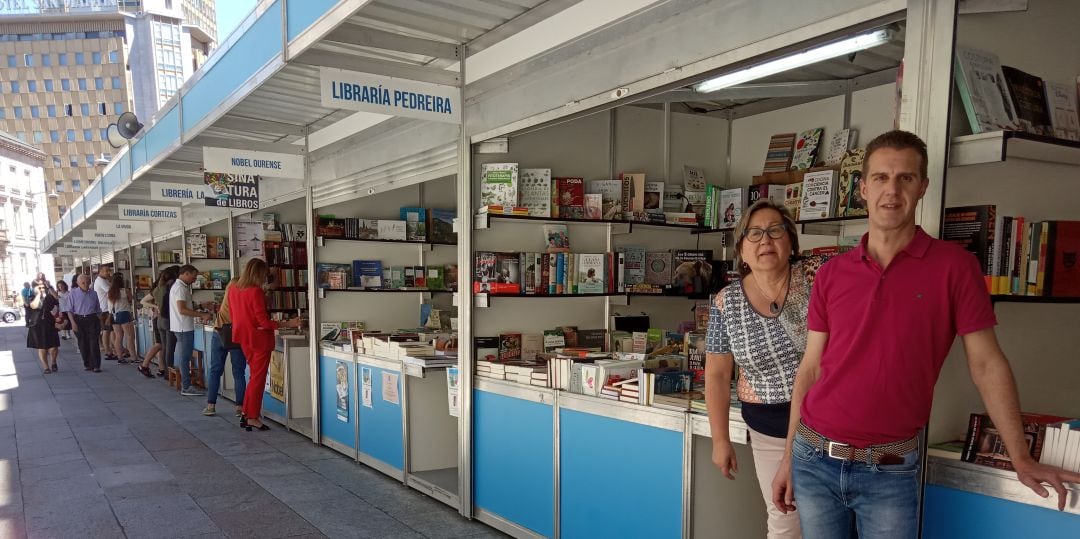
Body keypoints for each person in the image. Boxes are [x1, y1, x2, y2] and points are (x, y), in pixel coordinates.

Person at [771, 131, 1080, 538]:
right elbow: (810, 369)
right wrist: (788, 456)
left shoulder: (955, 268)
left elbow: (987, 364)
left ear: (923, 187)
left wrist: (1019, 456)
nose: (892, 191)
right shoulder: (831, 272)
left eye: (906, 178)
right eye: (880, 178)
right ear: (863, 188)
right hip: (814, 457)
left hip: (891, 471)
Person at [705, 199, 828, 539]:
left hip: (829, 421)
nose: (765, 241)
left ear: (791, 242)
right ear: (741, 249)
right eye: (754, 234)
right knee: (785, 523)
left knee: (831, 524)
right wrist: (720, 440)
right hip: (769, 429)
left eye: (775, 231)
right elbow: (716, 373)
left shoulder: (818, 277)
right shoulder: (725, 301)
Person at [229, 258, 302, 430]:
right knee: (258, 379)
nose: (265, 278)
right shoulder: (255, 292)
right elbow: (264, 321)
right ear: (258, 273)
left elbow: (234, 315)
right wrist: (288, 324)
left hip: (244, 338)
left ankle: (247, 413)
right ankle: (252, 416)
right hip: (259, 339)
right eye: (264, 274)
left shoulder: (234, 289)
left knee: (254, 377)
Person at [204, 279, 247, 417]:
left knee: (215, 370)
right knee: (239, 372)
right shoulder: (247, 292)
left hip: (219, 331)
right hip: (236, 334)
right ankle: (239, 407)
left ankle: (211, 406)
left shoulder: (231, 286)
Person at [171, 265, 212, 396]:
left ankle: (186, 385)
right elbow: (182, 309)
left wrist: (200, 306)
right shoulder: (180, 288)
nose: (195, 279)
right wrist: (202, 315)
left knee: (184, 356)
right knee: (185, 357)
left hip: (182, 326)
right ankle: (186, 386)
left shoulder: (180, 287)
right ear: (186, 273)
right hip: (183, 327)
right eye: (193, 276)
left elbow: (185, 306)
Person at [68, 274, 103, 372]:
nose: (86, 284)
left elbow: (98, 309)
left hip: (92, 319)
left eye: (88, 282)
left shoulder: (94, 293)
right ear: (78, 283)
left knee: (93, 343)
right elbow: (69, 310)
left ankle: (96, 365)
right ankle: (87, 363)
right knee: (83, 344)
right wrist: (73, 323)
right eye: (83, 283)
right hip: (79, 319)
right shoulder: (73, 293)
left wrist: (100, 321)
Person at [26, 280, 62, 374]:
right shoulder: (32, 297)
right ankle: (46, 367)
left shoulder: (50, 297)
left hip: (50, 324)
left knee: (54, 346)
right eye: (39, 287)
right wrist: (38, 295)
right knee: (42, 348)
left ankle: (53, 362)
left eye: (43, 287)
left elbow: (58, 300)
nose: (42, 289)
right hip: (37, 325)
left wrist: (49, 287)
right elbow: (33, 306)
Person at [107, 273, 136, 365]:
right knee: (130, 336)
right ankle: (133, 357)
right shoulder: (125, 291)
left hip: (113, 315)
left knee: (118, 337)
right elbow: (131, 299)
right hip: (124, 314)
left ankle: (120, 357)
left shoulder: (110, 292)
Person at [93, 266, 117, 360]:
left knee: (110, 330)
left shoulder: (105, 280)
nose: (108, 272)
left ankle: (112, 349)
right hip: (104, 310)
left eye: (109, 270)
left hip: (107, 309)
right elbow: (111, 291)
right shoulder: (100, 281)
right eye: (106, 271)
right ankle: (108, 351)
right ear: (100, 271)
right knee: (106, 331)